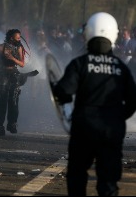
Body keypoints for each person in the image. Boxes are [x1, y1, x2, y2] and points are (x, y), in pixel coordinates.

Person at [53, 12, 136, 196]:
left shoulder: (79, 63)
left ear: (88, 33)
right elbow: (133, 100)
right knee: (108, 181)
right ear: (114, 34)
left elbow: (63, 92)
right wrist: (117, 117)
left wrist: (62, 97)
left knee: (77, 175)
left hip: (83, 127)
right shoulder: (120, 67)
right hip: (111, 130)